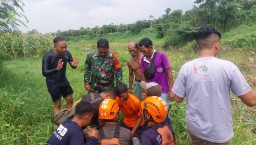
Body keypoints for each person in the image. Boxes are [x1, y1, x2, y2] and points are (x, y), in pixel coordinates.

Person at [171, 27, 256, 145]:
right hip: (220, 132)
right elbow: (251, 101)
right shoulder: (228, 67)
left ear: (198, 46)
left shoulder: (187, 67)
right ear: (217, 45)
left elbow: (177, 98)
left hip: (195, 130)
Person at [139, 37, 173, 125]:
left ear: (150, 47)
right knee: (153, 113)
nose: (142, 53)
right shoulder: (143, 59)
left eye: (144, 51)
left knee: (164, 113)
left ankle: (168, 132)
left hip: (163, 91)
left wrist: (171, 89)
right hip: (151, 91)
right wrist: (146, 89)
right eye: (141, 51)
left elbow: (168, 71)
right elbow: (144, 75)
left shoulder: (161, 55)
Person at [42, 37, 79, 113]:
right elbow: (44, 72)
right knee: (57, 104)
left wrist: (74, 66)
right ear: (55, 47)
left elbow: (72, 65)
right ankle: (58, 123)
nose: (64, 49)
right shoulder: (48, 56)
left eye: (66, 47)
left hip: (64, 81)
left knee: (70, 101)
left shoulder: (67, 53)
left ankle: (69, 121)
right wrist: (56, 69)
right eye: (62, 47)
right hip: (52, 83)